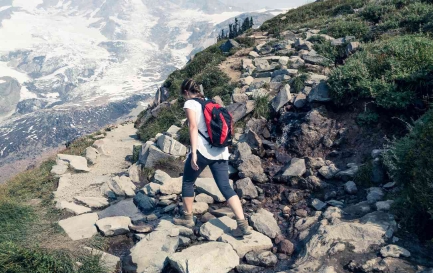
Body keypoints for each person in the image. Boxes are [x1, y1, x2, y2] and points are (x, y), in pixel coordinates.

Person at [172, 78, 252, 237]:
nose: (184, 98)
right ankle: (243, 224)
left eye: (184, 95)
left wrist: (193, 152)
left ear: (187, 92)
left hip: (202, 151)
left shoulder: (190, 104)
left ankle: (188, 218)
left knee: (188, 181)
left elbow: (193, 127)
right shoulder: (210, 103)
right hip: (221, 151)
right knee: (226, 187)